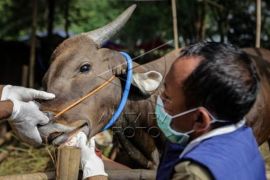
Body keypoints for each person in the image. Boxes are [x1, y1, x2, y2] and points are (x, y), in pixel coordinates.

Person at [67, 42, 266, 180]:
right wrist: (99, 161)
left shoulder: (194, 173)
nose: (159, 100)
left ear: (199, 119)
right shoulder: (241, 136)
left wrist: (94, 174)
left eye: (167, 97)